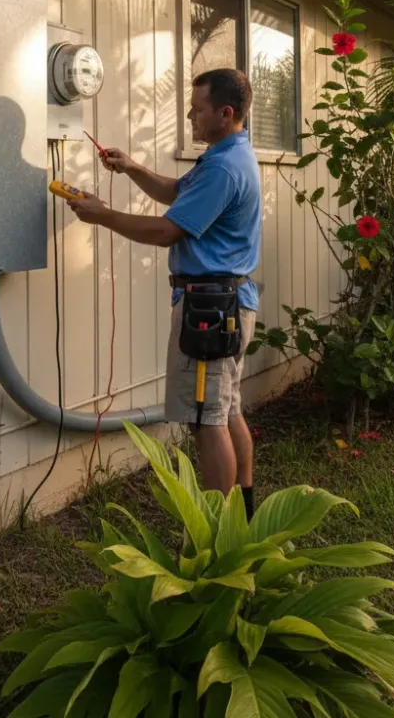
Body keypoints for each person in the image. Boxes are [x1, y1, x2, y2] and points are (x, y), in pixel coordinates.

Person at [67, 68, 262, 519]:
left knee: (204, 421)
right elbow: (176, 193)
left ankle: (218, 537)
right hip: (228, 303)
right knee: (226, 409)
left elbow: (166, 231)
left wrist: (102, 215)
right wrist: (133, 167)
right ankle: (245, 518)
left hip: (209, 311)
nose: (191, 116)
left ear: (225, 113)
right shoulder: (225, 156)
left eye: (198, 109)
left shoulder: (225, 168)